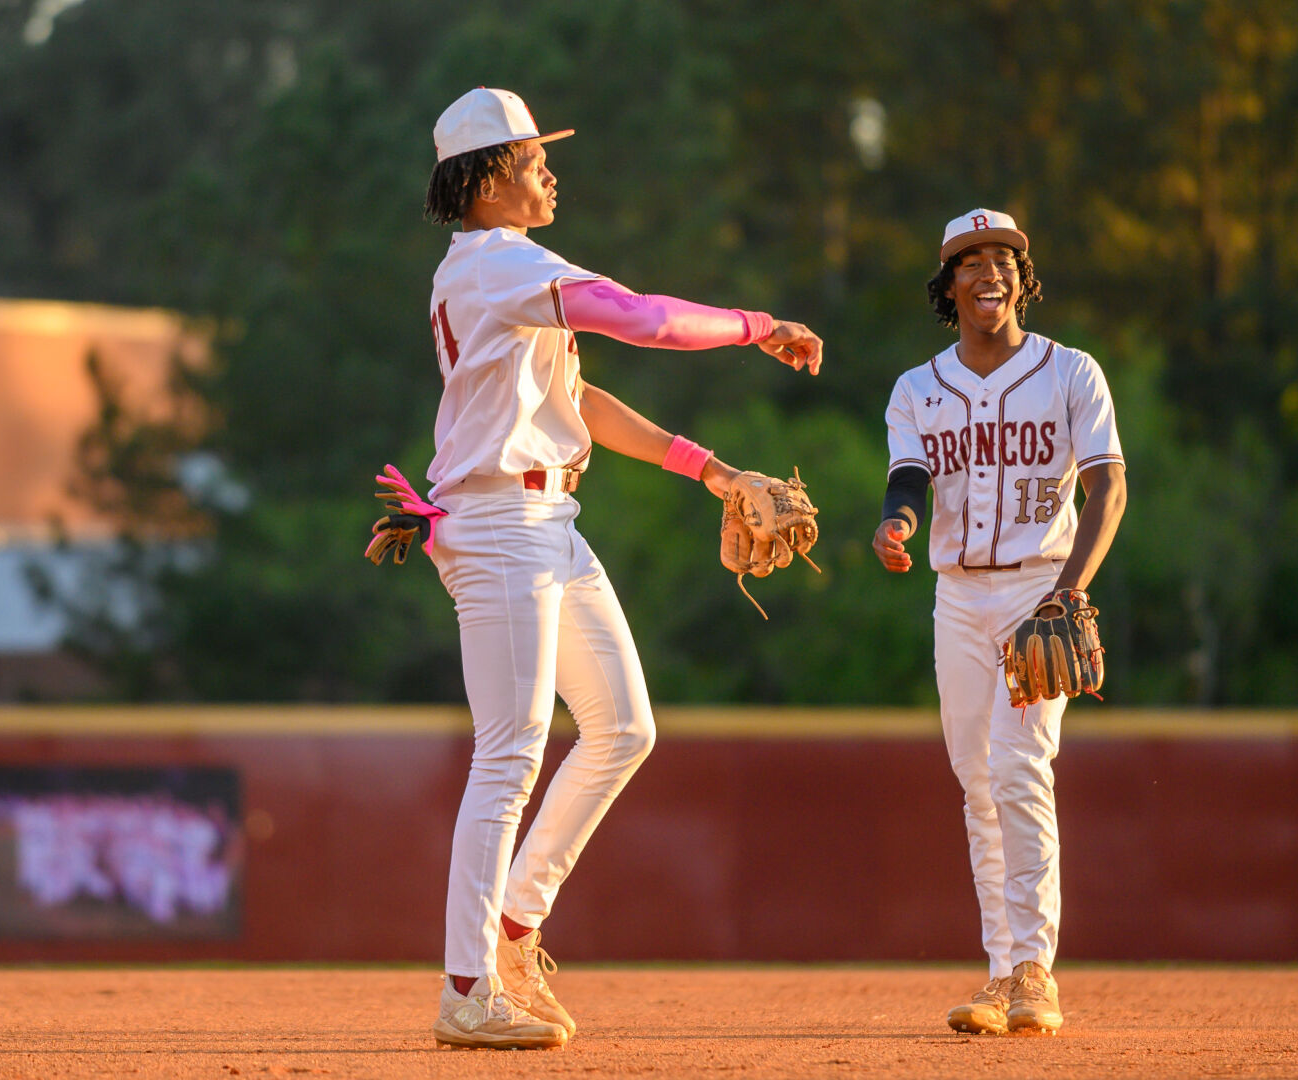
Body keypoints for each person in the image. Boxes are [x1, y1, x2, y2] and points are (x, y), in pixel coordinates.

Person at [410, 87, 823, 1049]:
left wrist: (714, 472)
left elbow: (580, 400)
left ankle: (513, 929)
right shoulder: (496, 263)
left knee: (623, 727)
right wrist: (755, 324)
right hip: (499, 520)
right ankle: (467, 988)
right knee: (509, 752)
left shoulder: (498, 273)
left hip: (545, 514)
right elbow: (641, 319)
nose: (549, 169)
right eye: (531, 157)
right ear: (485, 178)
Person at [873, 209, 1126, 1035]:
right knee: (976, 782)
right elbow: (907, 480)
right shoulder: (917, 388)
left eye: (1004, 259)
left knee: (1019, 771)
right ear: (947, 284)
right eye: (970, 261)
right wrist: (895, 527)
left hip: (1038, 590)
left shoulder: (1070, 372)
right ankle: (997, 972)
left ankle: (1033, 972)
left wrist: (1068, 591)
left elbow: (1108, 487)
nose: (989, 273)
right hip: (956, 596)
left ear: (1023, 276)